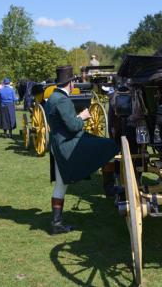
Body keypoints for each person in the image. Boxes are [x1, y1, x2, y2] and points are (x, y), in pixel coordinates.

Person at [46, 65, 119, 235]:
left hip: (58, 145)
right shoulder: (62, 100)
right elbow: (73, 126)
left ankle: (56, 223)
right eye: (73, 82)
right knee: (110, 146)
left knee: (60, 184)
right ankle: (108, 188)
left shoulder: (52, 98)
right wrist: (83, 116)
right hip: (69, 144)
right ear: (70, 83)